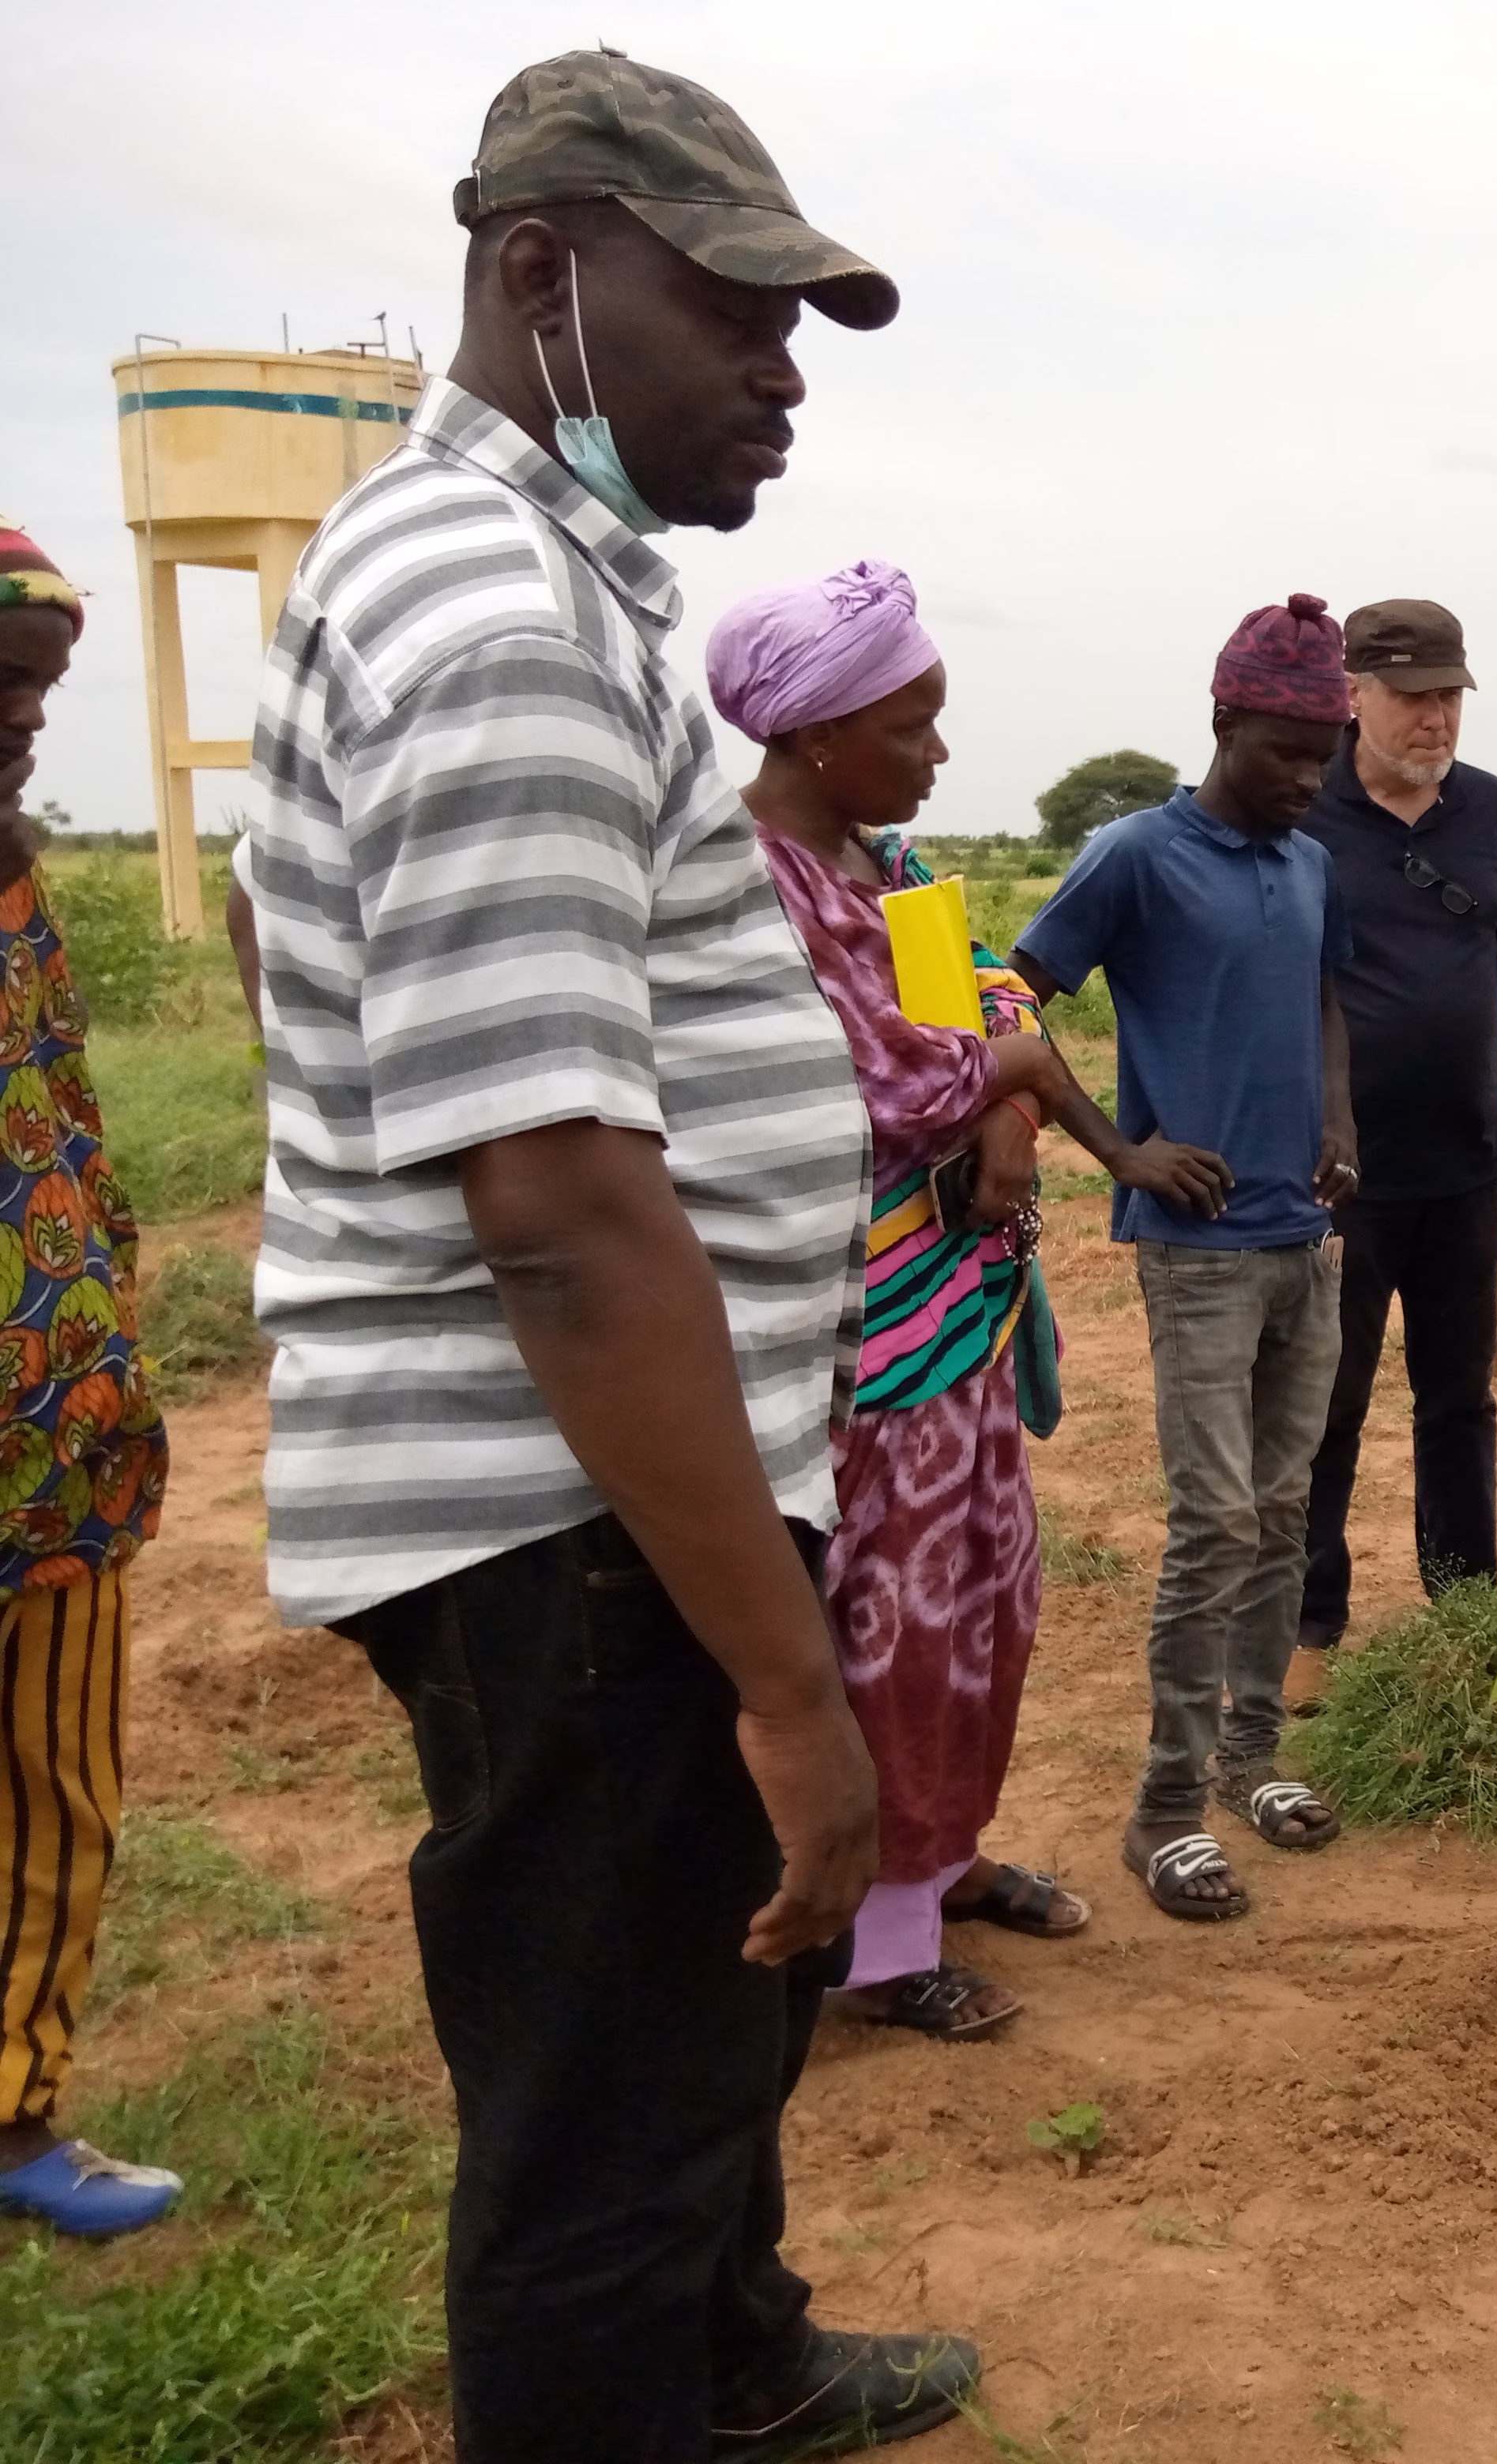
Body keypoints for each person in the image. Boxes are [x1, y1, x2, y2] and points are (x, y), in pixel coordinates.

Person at [245, 52, 976, 2461]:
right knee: (607, 2118)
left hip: (609, 1500)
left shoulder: (502, 579)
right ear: (541, 275)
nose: (783, 375)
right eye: (737, 313)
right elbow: (558, 1210)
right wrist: (785, 1682)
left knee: (699, 2015)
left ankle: (737, 2365)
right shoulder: (492, 614)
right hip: (569, 1525)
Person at [712, 560, 1111, 2040]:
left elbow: (990, 998)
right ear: (817, 734)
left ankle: (935, 1862)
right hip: (849, 1333)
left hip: (956, 1310)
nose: (938, 752)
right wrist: (1006, 1079)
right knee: (885, 1627)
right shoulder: (744, 881)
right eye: (910, 724)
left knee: (979, 1606)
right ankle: (874, 1945)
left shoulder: (890, 867)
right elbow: (880, 1076)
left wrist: (1004, 1097)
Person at [1012, 595, 1360, 1923]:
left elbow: (1324, 998)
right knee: (1214, 1522)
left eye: (1323, 757)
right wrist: (1122, 1152)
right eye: (1287, 754)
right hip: (1199, 1252)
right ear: (1223, 723)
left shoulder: (1309, 864)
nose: (1308, 780)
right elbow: (1014, 1000)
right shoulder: (1135, 857)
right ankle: (1164, 1811)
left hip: (1302, 1242)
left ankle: (1250, 1762)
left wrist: (1338, 1121)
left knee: (1281, 1514)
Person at [0, 524, 179, 2239]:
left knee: (53, 1793)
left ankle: (15, 2112)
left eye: (41, 694)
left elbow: (67, 1124)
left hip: (52, 1450)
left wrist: (109, 1333)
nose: (24, 723)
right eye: (1, 687)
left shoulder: (19, 891)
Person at [1292, 599, 1497, 1664]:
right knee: (1327, 1401)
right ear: (1353, 694)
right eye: (1414, 697)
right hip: (1339, 1175)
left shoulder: (1489, 808)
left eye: (1450, 697)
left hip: (1467, 1165)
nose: (1437, 718)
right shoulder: (1303, 811)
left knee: (1458, 1400)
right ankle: (1310, 1620)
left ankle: (1465, 1610)